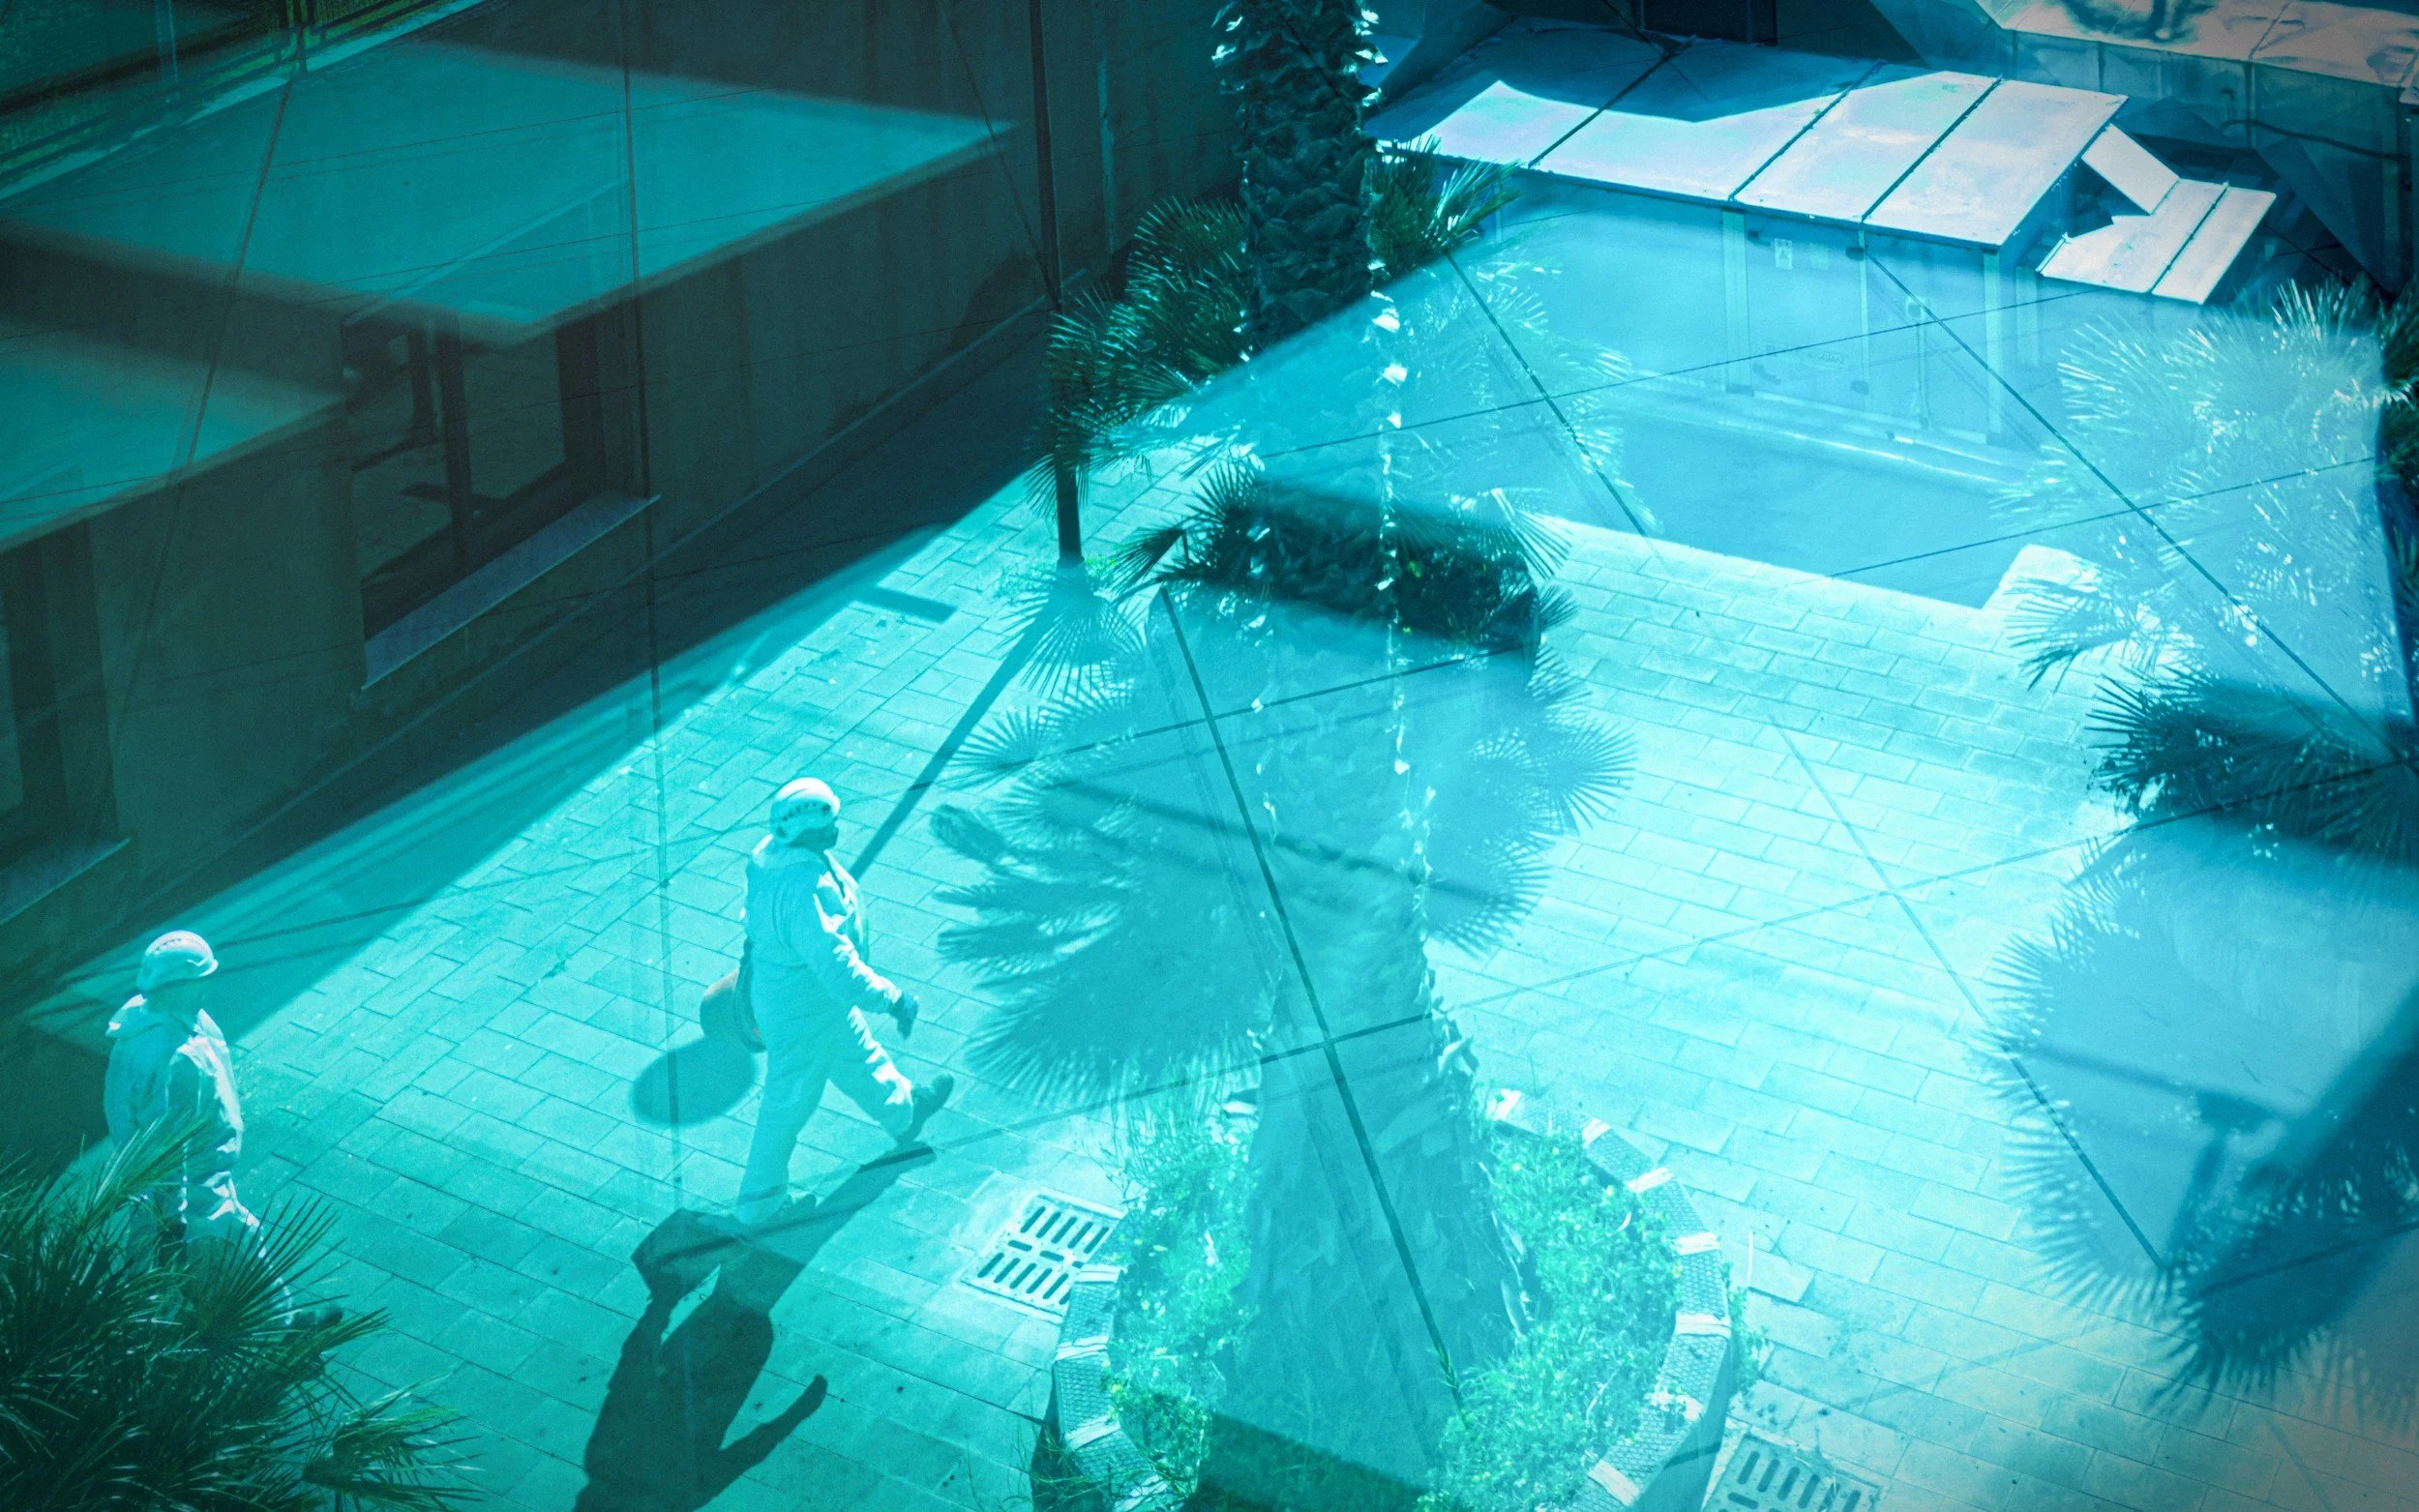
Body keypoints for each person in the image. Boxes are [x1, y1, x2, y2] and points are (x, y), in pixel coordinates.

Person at [733, 778, 951, 1227]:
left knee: (856, 1055)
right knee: (788, 1102)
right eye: (829, 821)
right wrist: (895, 1000)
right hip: (804, 1010)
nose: (837, 828)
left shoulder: (774, 863)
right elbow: (839, 968)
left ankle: (904, 1113)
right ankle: (759, 1203)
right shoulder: (805, 889)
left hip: (799, 1003)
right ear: (808, 830)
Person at [102, 930, 260, 1252]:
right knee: (238, 1253)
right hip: (199, 1194)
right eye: (202, 979)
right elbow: (166, 1148)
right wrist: (172, 1223)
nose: (207, 986)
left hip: (180, 1189)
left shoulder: (148, 1018)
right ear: (179, 985)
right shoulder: (174, 1058)